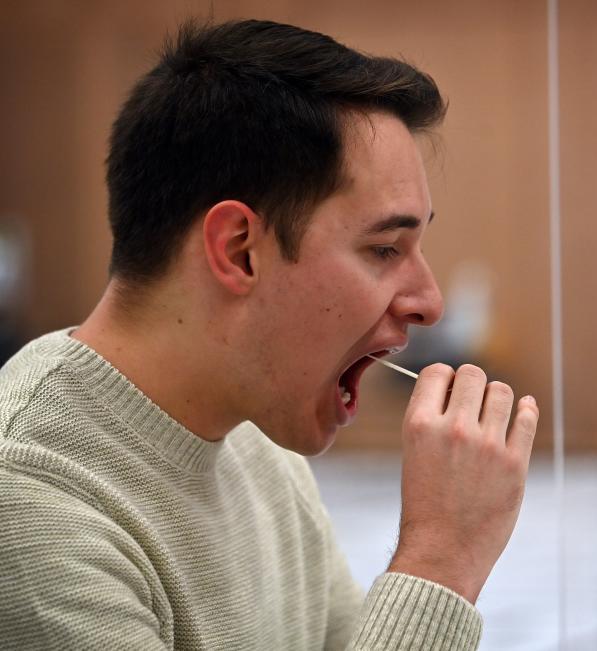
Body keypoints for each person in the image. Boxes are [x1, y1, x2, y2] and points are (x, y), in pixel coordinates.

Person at [0, 18, 539, 650]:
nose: (430, 303)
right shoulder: (29, 508)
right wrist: (442, 559)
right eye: (385, 248)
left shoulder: (255, 433)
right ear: (239, 250)